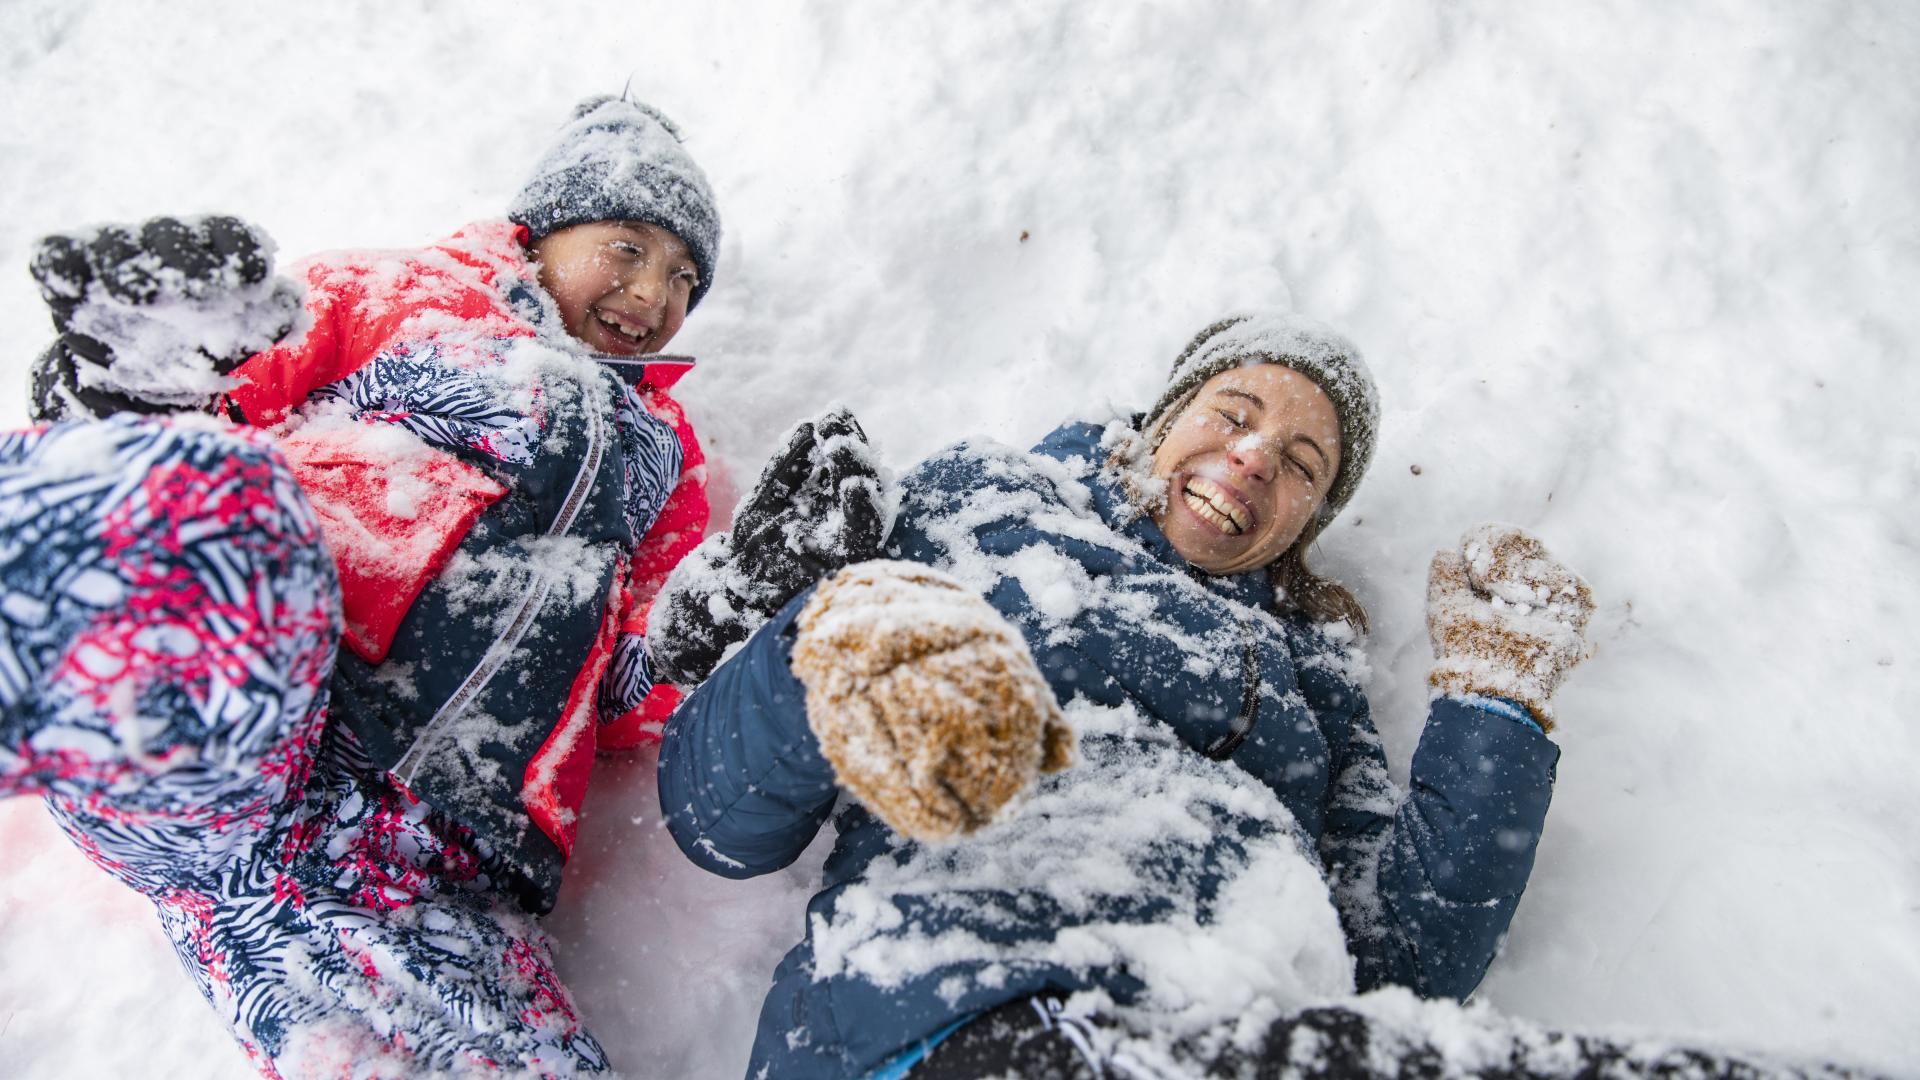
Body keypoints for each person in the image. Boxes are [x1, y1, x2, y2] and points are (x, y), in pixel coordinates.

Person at [650, 311, 1821, 1078]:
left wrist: (1495, 707)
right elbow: (714, 815)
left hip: (1260, 1014)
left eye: (1304, 466)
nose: (1258, 456)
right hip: (960, 995)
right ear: (1164, 418)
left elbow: (1408, 958)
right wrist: (831, 637)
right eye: (1236, 415)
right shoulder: (982, 498)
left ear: (1305, 522)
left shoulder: (1314, 674)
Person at [0, 95, 777, 1077]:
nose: (653, 291)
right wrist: (146, 393)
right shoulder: (393, 294)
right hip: (268, 721)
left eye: (683, 277)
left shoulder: (664, 459)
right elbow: (236, 392)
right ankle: (101, 428)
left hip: (431, 854)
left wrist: (702, 632)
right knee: (225, 499)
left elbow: (625, 698)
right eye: (626, 247)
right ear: (542, 230)